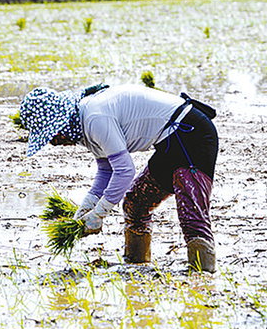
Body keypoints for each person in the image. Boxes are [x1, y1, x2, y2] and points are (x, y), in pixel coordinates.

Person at [19, 83, 219, 272]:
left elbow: (124, 171)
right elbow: (106, 171)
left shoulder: (93, 118)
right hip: (169, 143)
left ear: (60, 122)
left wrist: (99, 214)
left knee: (191, 215)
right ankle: (136, 267)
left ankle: (203, 281)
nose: (53, 142)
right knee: (136, 203)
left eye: (51, 135)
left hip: (192, 135)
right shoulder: (84, 124)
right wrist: (87, 206)